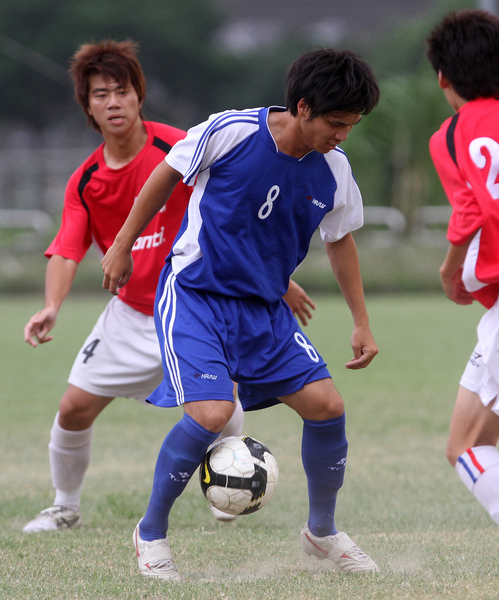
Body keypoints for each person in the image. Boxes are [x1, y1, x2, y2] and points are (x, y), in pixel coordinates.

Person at [102, 47, 380, 581]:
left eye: (352, 126)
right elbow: (165, 176)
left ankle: (321, 532)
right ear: (302, 108)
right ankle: (151, 533)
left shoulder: (334, 170)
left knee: (327, 406)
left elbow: (340, 240)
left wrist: (360, 321)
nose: (342, 135)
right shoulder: (230, 131)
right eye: (336, 123)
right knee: (209, 414)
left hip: (264, 308)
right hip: (196, 295)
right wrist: (122, 245)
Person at [23, 39, 317, 534]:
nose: (113, 102)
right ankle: (64, 506)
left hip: (194, 303)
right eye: (100, 94)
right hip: (131, 314)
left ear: (139, 95)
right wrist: (52, 305)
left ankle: (230, 489)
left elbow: (236, 214)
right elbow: (67, 247)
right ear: (88, 106)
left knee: (219, 409)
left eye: (122, 90)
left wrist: (279, 279)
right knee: (73, 408)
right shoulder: (85, 180)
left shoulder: (180, 147)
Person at [427, 9, 499, 553]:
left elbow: (469, 212)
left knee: (463, 444)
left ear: (444, 78)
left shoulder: (455, 133)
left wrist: (449, 270)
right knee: (482, 441)